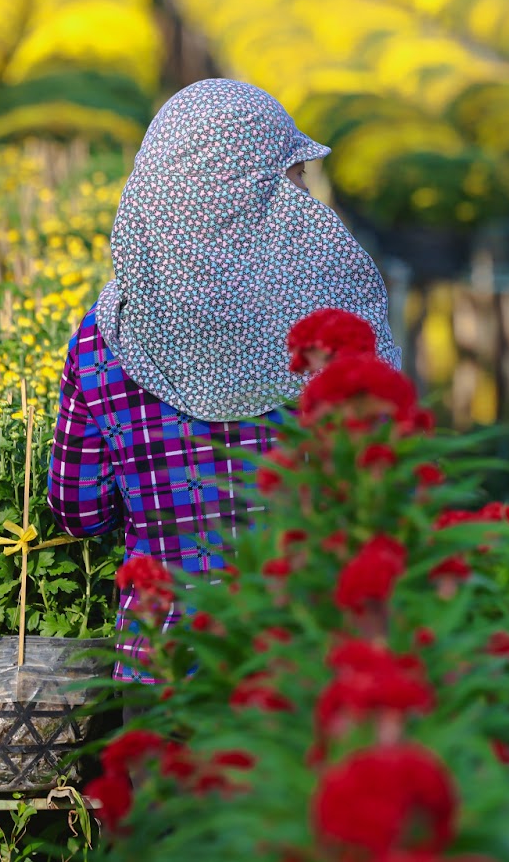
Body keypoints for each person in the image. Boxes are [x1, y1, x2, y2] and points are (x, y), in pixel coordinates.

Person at [45, 78, 403, 709]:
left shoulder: (109, 338)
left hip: (167, 660)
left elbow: (78, 510)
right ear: (255, 193)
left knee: (164, 808)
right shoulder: (325, 328)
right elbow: (385, 474)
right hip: (306, 658)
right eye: (286, 177)